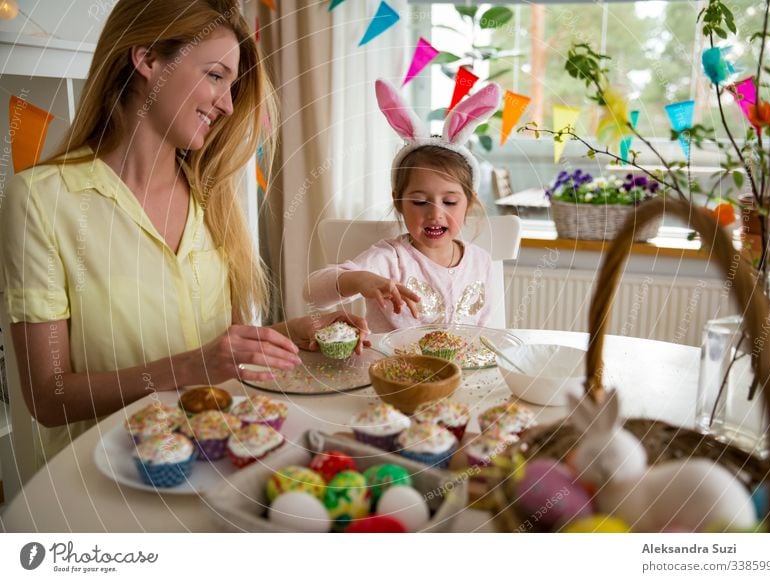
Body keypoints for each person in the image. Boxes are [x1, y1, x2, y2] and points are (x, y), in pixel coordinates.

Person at [0, 0, 368, 463]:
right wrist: (192, 367)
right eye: (216, 75)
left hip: (218, 457)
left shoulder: (212, 199)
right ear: (148, 59)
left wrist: (291, 333)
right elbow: (49, 399)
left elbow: (219, 353)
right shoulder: (41, 199)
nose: (228, 104)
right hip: (107, 479)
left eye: (231, 85)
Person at [303, 79, 502, 333]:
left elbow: (483, 332)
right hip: (394, 370)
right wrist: (360, 279)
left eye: (450, 202)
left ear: (469, 202)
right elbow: (311, 292)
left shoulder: (481, 262)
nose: (435, 214)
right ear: (398, 201)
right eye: (419, 202)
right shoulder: (390, 260)